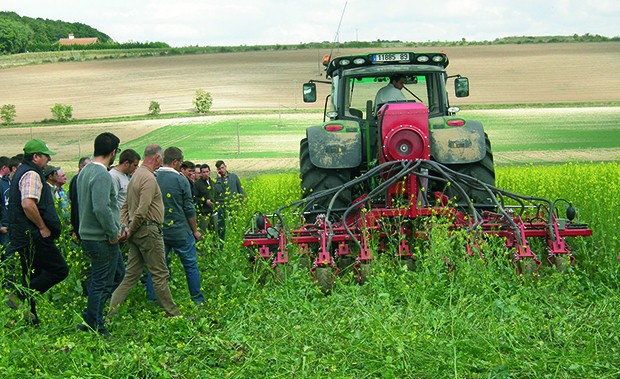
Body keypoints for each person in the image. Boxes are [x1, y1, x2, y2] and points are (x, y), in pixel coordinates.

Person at [108, 144, 182, 318]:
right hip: (148, 231)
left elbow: (125, 206)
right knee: (160, 273)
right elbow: (142, 210)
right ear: (156, 158)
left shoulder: (135, 176)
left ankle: (111, 315)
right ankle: (173, 313)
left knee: (131, 276)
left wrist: (125, 228)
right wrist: (130, 230)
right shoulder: (148, 178)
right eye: (161, 159)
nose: (161, 163)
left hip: (137, 233)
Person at [7, 139, 69, 325]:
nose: (49, 159)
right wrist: (42, 227)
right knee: (59, 270)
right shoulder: (32, 174)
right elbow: (28, 204)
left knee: (32, 274)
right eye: (46, 156)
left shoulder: (21, 171)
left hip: (22, 234)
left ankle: (31, 321)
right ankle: (18, 295)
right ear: (36, 157)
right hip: (33, 234)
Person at [76, 132, 124, 337]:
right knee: (102, 281)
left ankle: (90, 316)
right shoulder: (102, 174)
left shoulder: (85, 171)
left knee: (117, 274)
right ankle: (95, 324)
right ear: (113, 152)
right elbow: (101, 208)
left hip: (87, 234)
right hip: (100, 237)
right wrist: (113, 233)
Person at [146, 147, 204, 304]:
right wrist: (195, 230)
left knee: (157, 267)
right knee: (190, 265)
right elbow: (189, 208)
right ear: (175, 162)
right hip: (180, 231)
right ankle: (197, 299)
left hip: (159, 231)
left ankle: (153, 300)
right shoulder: (181, 180)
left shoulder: (152, 178)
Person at [68, 156, 91, 296]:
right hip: (83, 228)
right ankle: (87, 291)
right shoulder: (78, 180)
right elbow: (76, 207)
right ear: (80, 167)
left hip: (82, 227)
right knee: (88, 263)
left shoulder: (79, 180)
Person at [214, 160, 246, 242]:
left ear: (225, 167)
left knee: (234, 225)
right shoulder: (217, 180)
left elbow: (240, 190)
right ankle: (222, 243)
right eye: (219, 169)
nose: (221, 170)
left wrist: (243, 204)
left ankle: (236, 241)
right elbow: (217, 191)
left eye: (222, 167)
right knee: (222, 226)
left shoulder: (233, 177)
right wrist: (218, 179)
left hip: (234, 205)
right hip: (222, 206)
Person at [194, 163, 216, 232]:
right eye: (203, 172)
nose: (206, 174)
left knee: (214, 232)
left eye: (207, 172)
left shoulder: (212, 183)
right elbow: (195, 198)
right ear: (201, 173)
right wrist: (205, 201)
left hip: (213, 212)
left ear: (210, 172)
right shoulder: (197, 184)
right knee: (202, 232)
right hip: (203, 213)